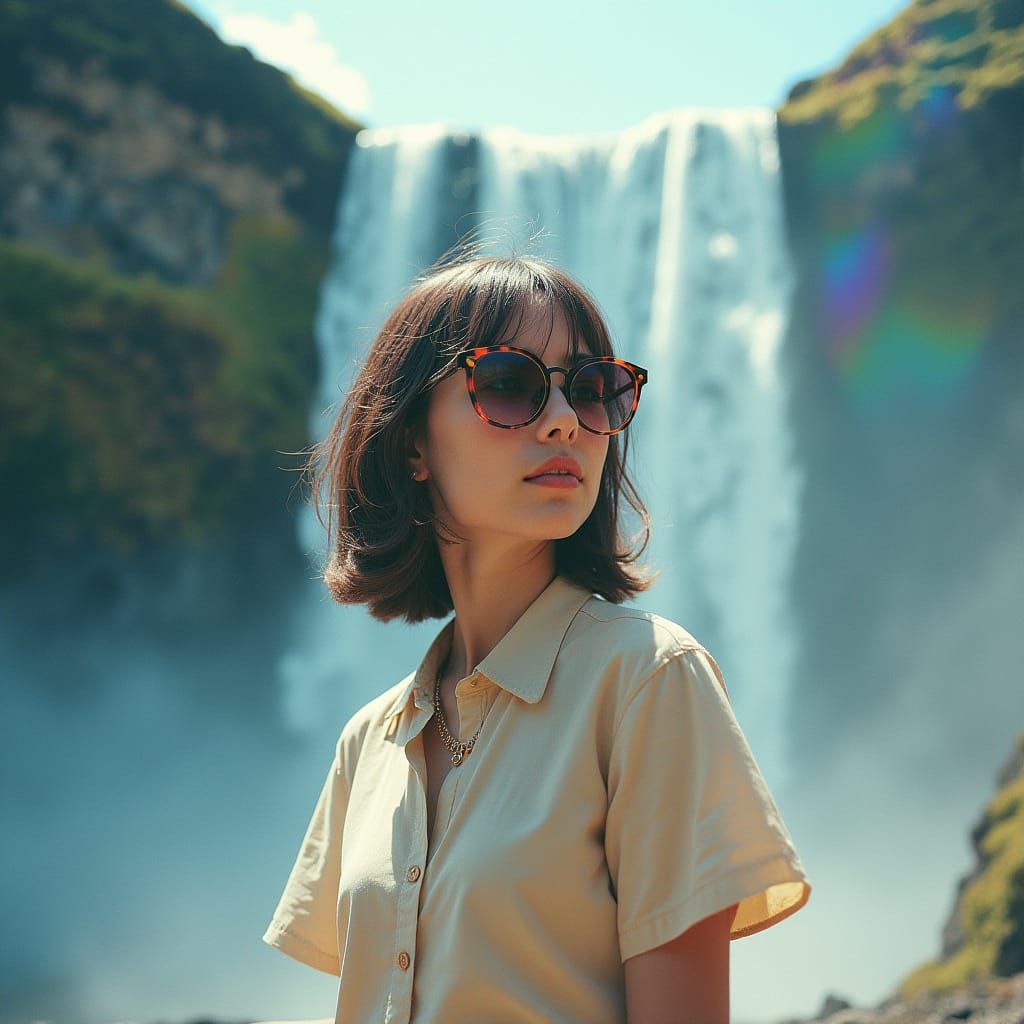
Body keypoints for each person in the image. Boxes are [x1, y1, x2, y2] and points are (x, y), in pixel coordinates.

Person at [261, 252, 812, 1024]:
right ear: (412, 442)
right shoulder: (369, 743)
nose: (565, 422)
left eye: (594, 391)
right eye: (510, 384)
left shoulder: (651, 681)